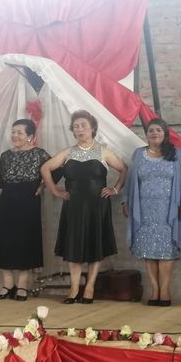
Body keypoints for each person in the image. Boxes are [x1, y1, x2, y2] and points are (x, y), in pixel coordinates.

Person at [41, 110, 127, 304]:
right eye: (76, 126)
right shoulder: (67, 152)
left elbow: (124, 169)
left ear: (92, 128)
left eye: (83, 126)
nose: (80, 129)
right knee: (74, 246)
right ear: (72, 130)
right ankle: (74, 289)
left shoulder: (104, 151)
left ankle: (89, 287)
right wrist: (55, 191)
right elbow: (45, 168)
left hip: (98, 206)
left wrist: (115, 189)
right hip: (74, 207)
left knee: (95, 245)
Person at [121, 118, 181, 307]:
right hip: (143, 209)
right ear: (146, 134)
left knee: (166, 250)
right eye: (151, 130)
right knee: (148, 249)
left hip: (169, 210)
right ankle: (154, 289)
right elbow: (130, 180)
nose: (154, 133)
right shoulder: (138, 154)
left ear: (165, 134)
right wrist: (125, 201)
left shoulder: (176, 154)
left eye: (158, 130)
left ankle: (165, 290)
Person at [0, 119, 51, 301]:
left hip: (29, 203)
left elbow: (57, 169)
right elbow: (0, 184)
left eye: (19, 132)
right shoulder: (5, 156)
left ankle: (22, 286)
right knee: (4, 242)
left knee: (26, 242)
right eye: (13, 132)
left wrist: (44, 185)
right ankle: (7, 285)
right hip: (8, 202)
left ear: (30, 136)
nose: (15, 135)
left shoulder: (40, 154)